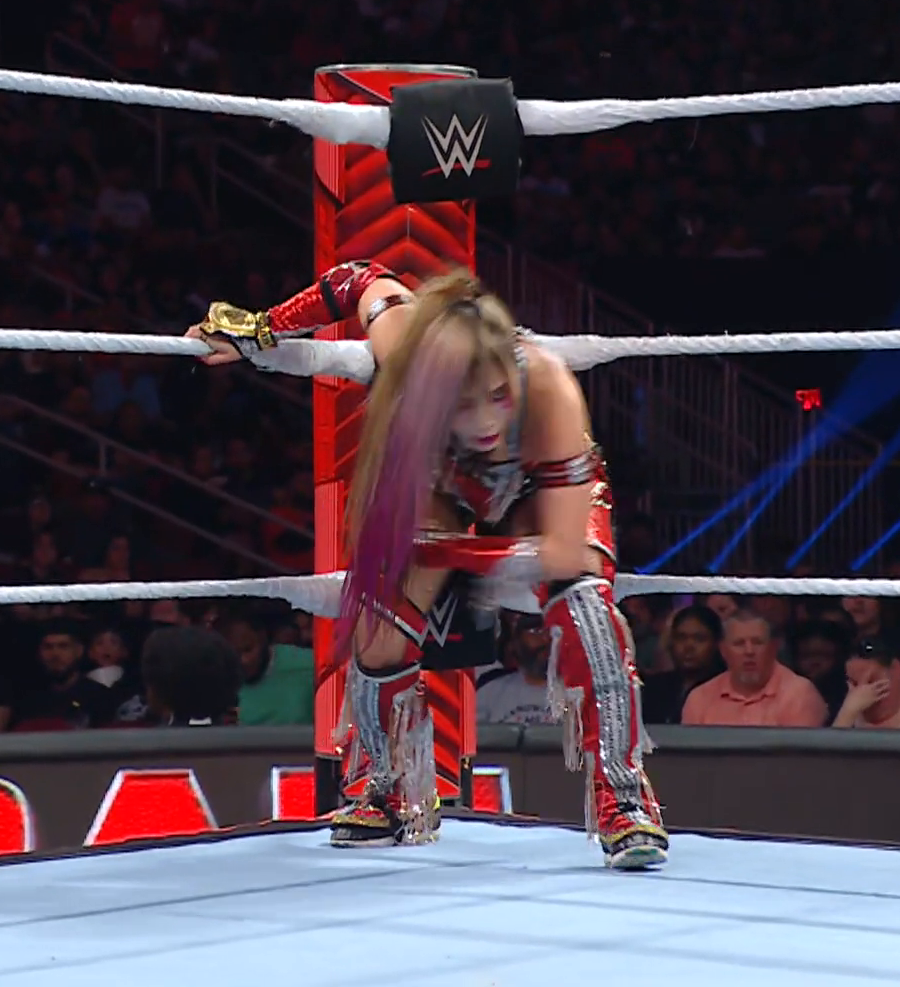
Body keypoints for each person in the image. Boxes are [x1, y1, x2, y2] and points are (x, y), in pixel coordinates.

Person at [190, 262, 667, 869]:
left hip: (537, 490)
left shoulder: (548, 386)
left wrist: (449, 555)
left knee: (586, 609)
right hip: (447, 486)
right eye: (462, 404)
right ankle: (384, 786)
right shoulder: (404, 350)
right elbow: (356, 278)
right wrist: (261, 330)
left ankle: (624, 799)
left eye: (497, 395)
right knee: (379, 619)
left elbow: (566, 551)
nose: (486, 421)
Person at [831, 635, 900, 730]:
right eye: (854, 683)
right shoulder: (841, 714)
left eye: (871, 682)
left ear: (896, 670)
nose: (862, 695)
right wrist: (847, 714)